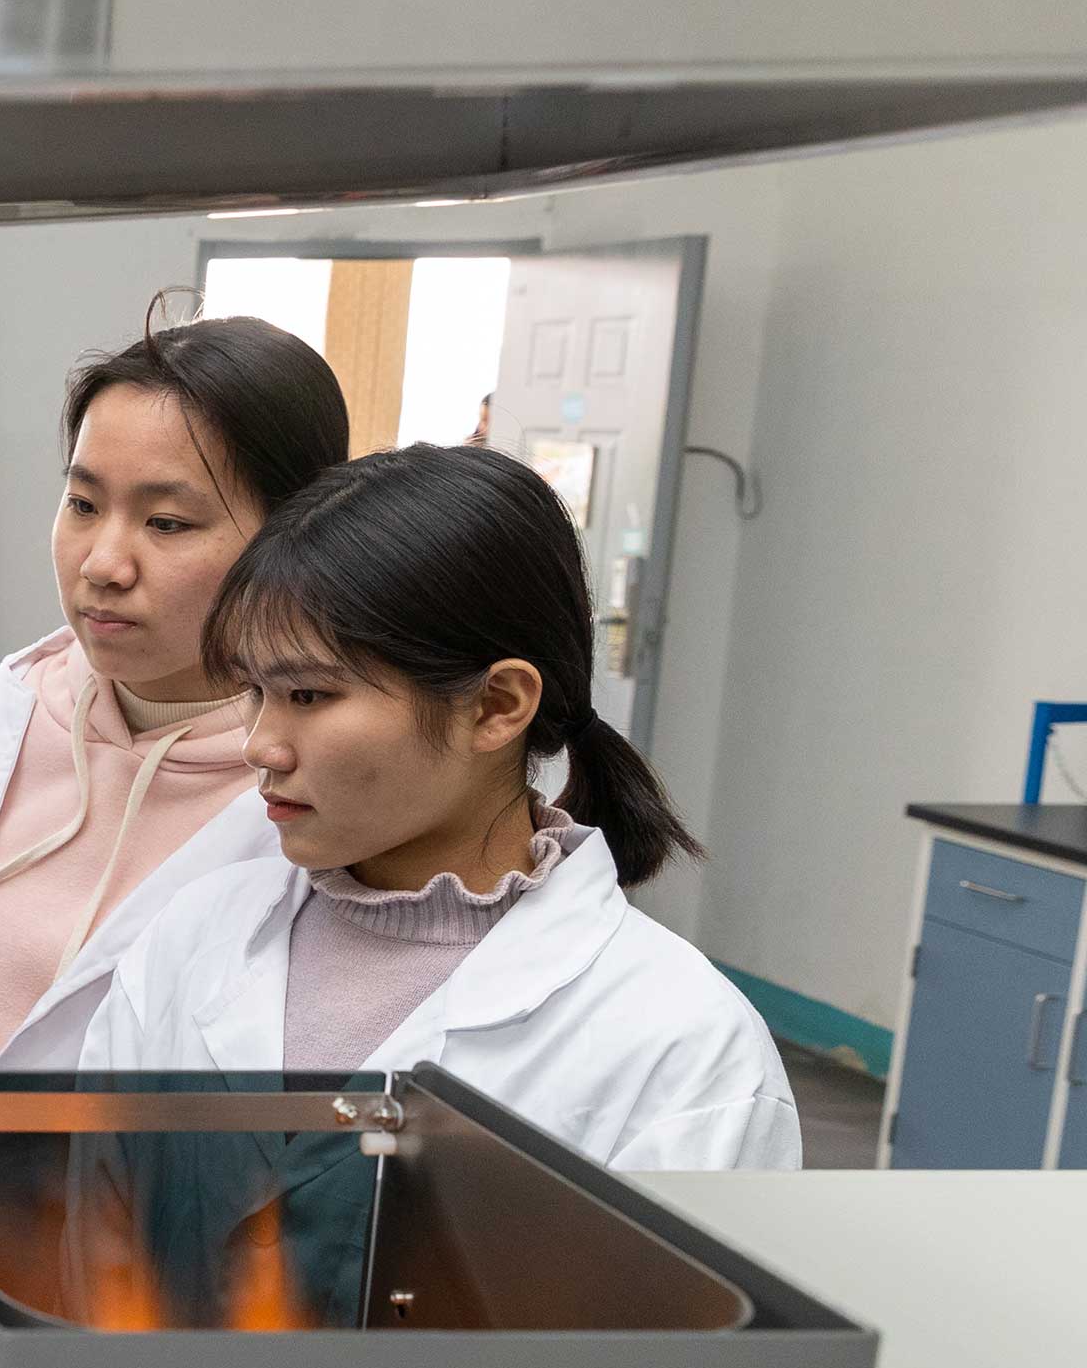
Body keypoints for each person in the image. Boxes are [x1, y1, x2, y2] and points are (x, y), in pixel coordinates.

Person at [83, 442, 798, 1172]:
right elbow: (88, 1222)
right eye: (256, 692)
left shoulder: (684, 1047)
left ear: (496, 706)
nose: (260, 746)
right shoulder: (190, 938)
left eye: (308, 694)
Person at [0, 311, 349, 1069]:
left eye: (166, 523)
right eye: (82, 504)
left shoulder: (323, 788)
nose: (103, 563)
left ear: (291, 534)